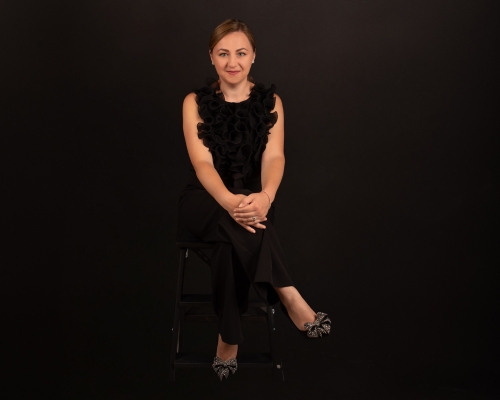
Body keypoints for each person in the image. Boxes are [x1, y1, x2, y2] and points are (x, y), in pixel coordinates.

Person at [177, 18, 331, 381]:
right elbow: (202, 164)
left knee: (231, 242)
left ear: (254, 56)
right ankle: (287, 292)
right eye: (223, 53)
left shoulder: (270, 102)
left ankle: (228, 338)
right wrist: (230, 202)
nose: (233, 62)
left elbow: (274, 157)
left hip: (255, 202)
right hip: (206, 200)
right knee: (235, 222)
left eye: (241, 53)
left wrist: (265, 196)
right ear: (211, 57)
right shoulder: (194, 102)